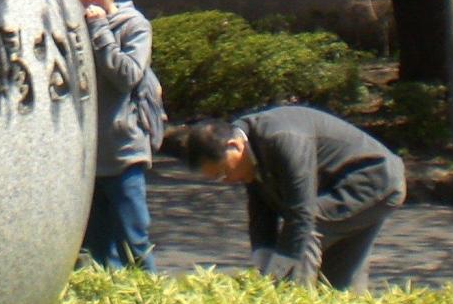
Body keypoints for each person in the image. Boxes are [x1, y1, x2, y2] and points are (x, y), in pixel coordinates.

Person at [161, 108, 406, 289]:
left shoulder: (283, 139)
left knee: (307, 230)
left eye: (224, 172)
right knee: (335, 287)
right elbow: (262, 212)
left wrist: (275, 281)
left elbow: (302, 215)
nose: (226, 181)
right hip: (340, 189)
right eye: (217, 178)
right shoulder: (248, 153)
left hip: (374, 181)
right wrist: (261, 266)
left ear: (234, 146)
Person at [75, 0, 156, 269]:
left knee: (135, 241)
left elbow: (127, 76)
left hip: (123, 152)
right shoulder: (75, 25)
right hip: (88, 158)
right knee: (96, 249)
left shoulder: (134, 25)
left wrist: (98, 28)